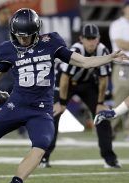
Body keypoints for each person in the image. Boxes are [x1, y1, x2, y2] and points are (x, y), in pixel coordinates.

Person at [0, 8, 128, 183]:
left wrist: (109, 57)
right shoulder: (7, 49)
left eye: (26, 36)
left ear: (37, 32)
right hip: (15, 104)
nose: (22, 40)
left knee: (42, 143)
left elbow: (83, 62)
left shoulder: (51, 42)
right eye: (19, 36)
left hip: (40, 109)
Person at [41, 24, 120, 169]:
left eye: (93, 38)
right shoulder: (76, 50)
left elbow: (103, 79)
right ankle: (43, 157)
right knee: (53, 115)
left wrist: (100, 102)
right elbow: (64, 78)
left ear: (98, 38)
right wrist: (62, 102)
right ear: (81, 39)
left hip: (87, 83)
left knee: (102, 115)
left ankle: (109, 159)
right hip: (66, 82)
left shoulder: (102, 50)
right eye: (88, 38)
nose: (91, 42)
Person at [109, 0, 129, 134]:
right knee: (120, 98)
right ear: (124, 9)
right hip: (123, 66)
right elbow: (120, 43)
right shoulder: (117, 24)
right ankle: (110, 129)